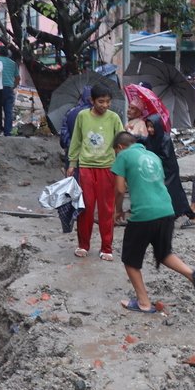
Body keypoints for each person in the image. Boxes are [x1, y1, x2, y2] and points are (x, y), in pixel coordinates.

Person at [111, 132, 195, 313]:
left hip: (144, 214)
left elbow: (119, 188)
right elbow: (158, 182)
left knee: (130, 261)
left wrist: (118, 210)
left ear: (120, 147)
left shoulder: (123, 155)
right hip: (166, 210)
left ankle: (144, 303)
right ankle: (192, 274)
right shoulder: (153, 156)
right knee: (163, 253)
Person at [66, 85, 124, 260]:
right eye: (101, 101)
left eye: (108, 102)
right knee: (86, 208)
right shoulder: (82, 116)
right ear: (92, 101)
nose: (105, 105)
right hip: (86, 168)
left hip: (108, 168)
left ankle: (106, 247)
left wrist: (123, 166)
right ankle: (83, 245)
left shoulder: (114, 118)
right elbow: (76, 140)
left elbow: (122, 142)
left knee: (107, 209)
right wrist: (72, 163)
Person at [144, 114, 195, 227]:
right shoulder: (151, 138)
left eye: (152, 127)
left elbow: (165, 156)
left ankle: (191, 216)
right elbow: (144, 141)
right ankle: (171, 215)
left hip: (169, 171)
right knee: (167, 193)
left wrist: (151, 157)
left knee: (174, 193)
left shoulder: (165, 139)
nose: (149, 129)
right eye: (148, 126)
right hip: (160, 170)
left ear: (157, 127)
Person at [60, 85, 92, 167]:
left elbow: (63, 135)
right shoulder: (96, 114)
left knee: (72, 178)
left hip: (72, 152)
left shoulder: (71, 112)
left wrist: (69, 146)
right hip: (90, 155)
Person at [0, 48, 19, 136]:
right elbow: (18, 78)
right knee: (8, 111)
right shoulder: (13, 63)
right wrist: (13, 86)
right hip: (9, 89)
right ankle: (8, 132)